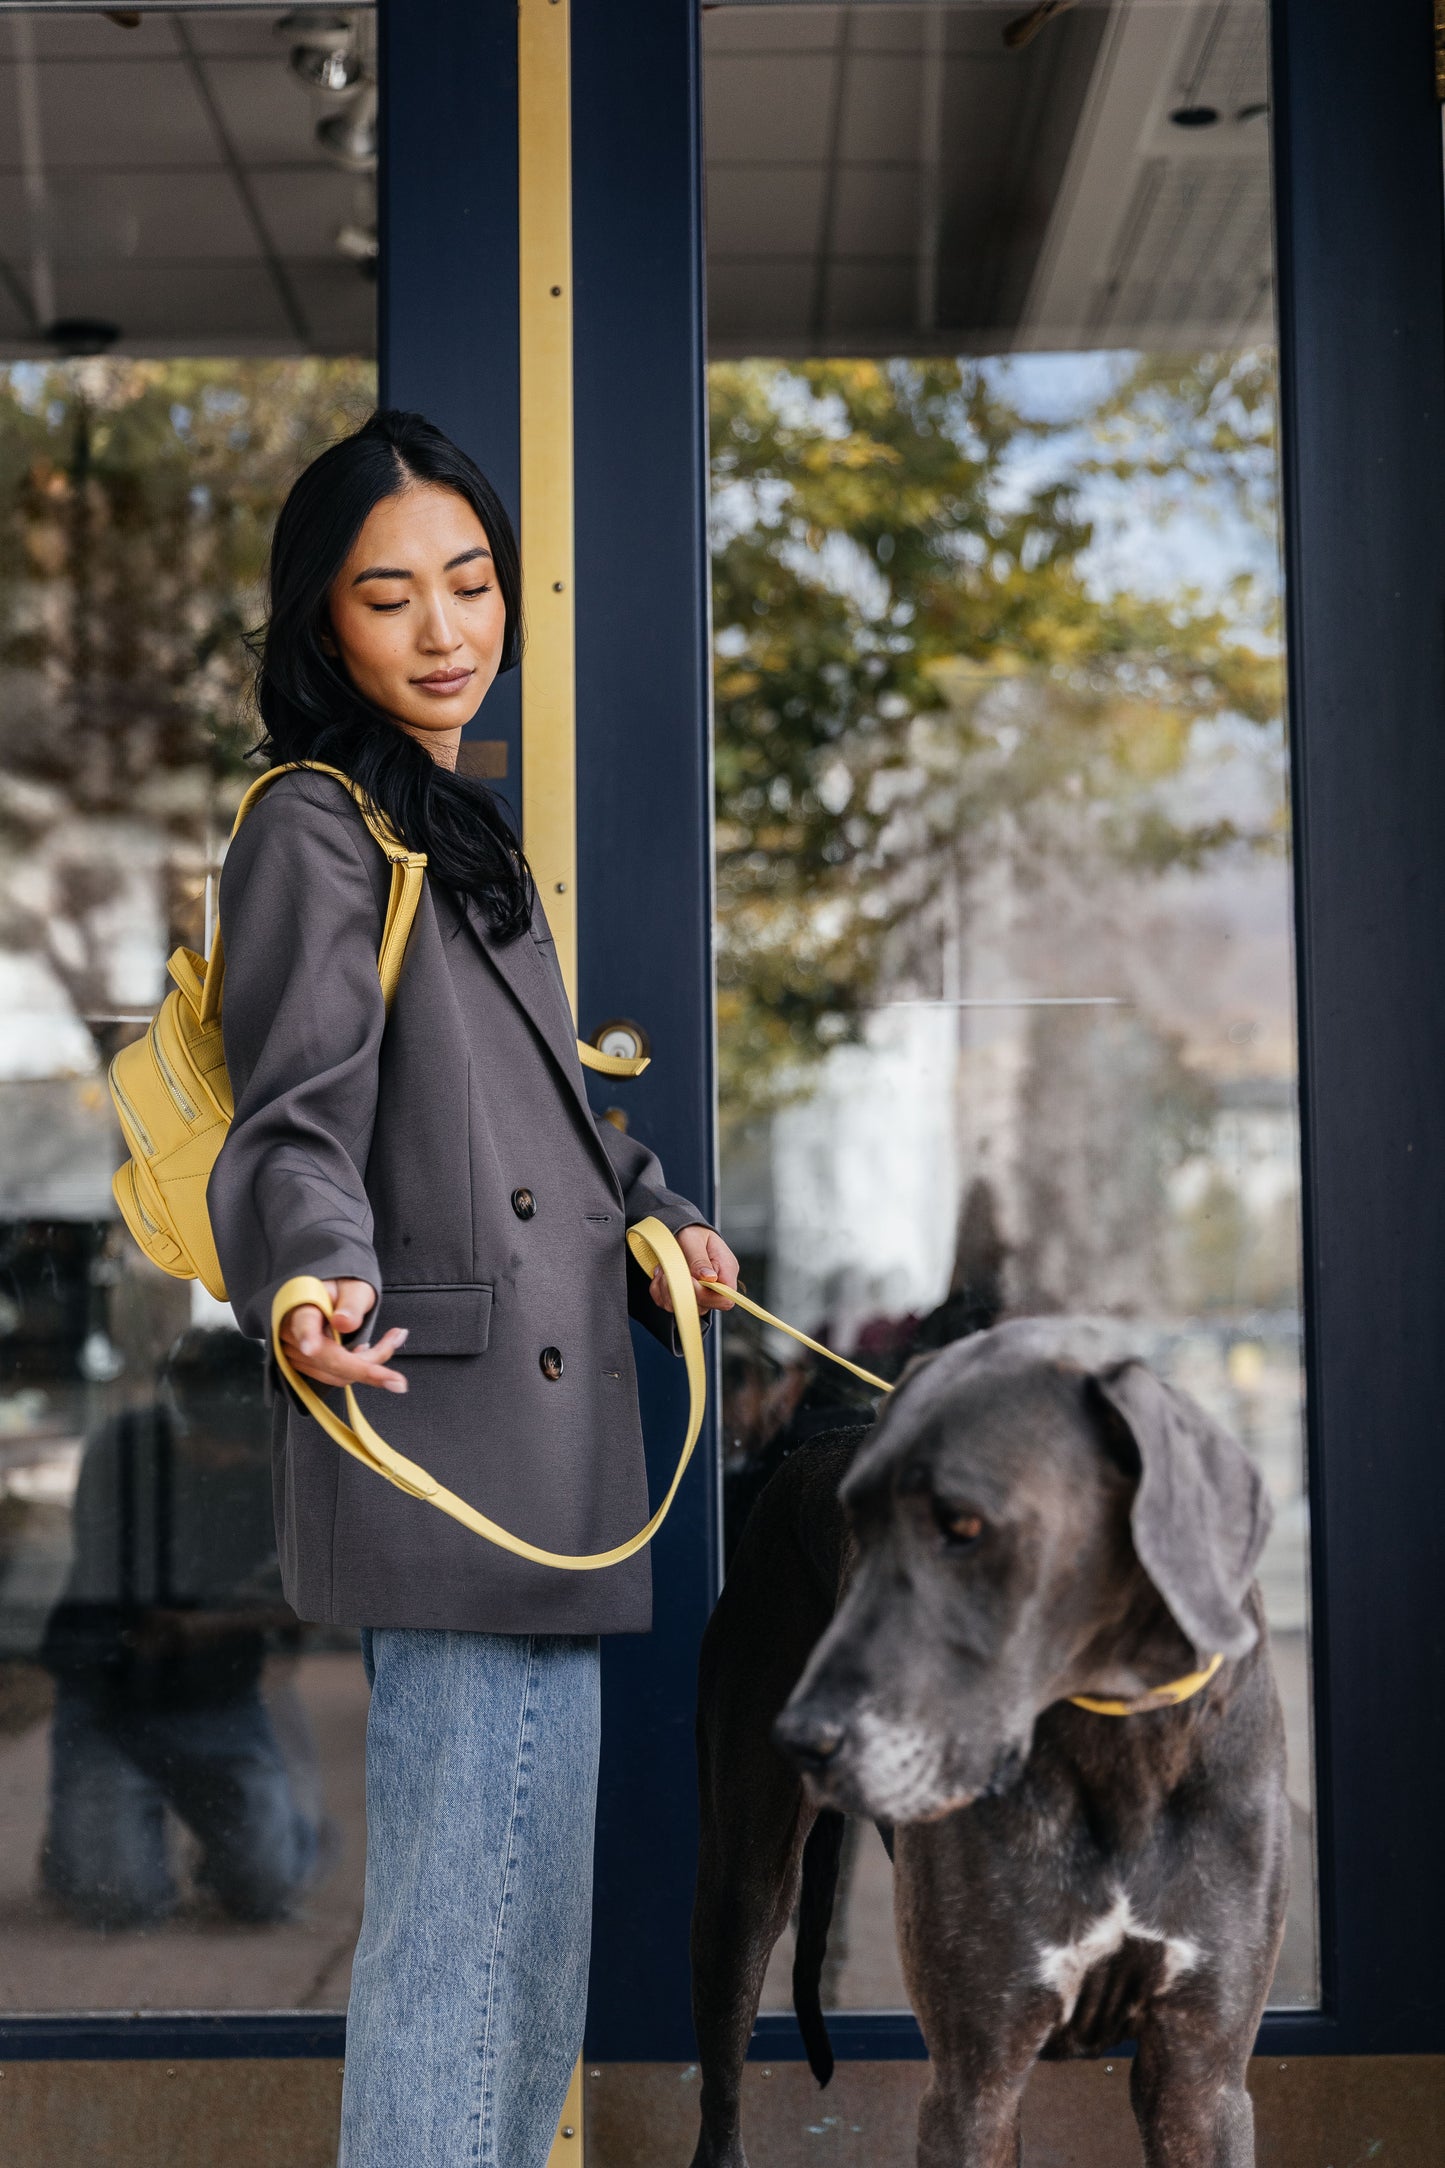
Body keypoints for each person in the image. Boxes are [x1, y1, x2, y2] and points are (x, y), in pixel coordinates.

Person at [207, 409, 739, 2168]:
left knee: (519, 1970)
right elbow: (296, 1123)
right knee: (461, 1959)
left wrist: (660, 1216)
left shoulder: (448, 820)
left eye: (472, 579)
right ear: (321, 625)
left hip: (546, 1446)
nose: (447, 626)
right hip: (447, 1433)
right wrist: (308, 1284)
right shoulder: (314, 824)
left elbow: (537, 1122)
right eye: (390, 594)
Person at [40, 1327, 320, 1929]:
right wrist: (237, 1615)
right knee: (117, 1900)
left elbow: (315, 1603)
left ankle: (225, 1834)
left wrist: (208, 1625)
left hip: (222, 1698)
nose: (229, 1458)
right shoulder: (125, 1450)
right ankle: (79, 1835)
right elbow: (125, 1598)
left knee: (268, 1890)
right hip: (109, 1699)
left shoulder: (276, 1462)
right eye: (215, 1439)